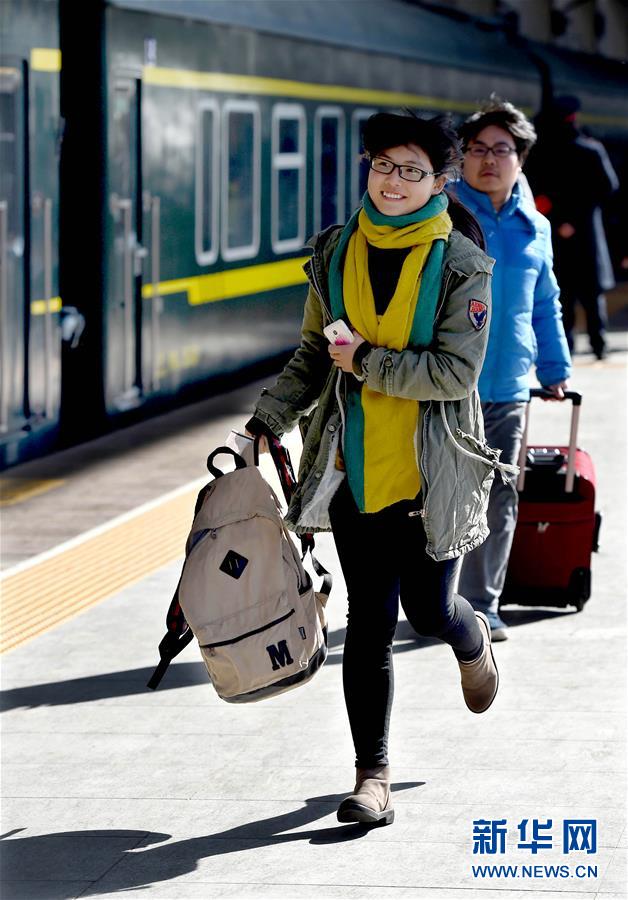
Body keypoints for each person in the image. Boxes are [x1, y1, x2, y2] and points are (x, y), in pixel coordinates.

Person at [245, 111, 513, 827]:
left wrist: (366, 361)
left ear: (440, 181)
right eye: (383, 165)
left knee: (428, 613)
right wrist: (267, 419)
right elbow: (314, 352)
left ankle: (470, 640)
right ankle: (372, 778)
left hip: (432, 474)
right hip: (353, 467)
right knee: (368, 622)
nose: (393, 181)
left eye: (412, 170)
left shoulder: (462, 267)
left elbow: (455, 374)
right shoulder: (335, 252)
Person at [451, 97, 572, 642]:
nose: (488, 160)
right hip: (446, 385)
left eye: (501, 150)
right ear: (462, 157)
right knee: (440, 495)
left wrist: (555, 366)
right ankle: (438, 601)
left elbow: (545, 302)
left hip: (508, 387)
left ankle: (483, 605)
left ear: (520, 158)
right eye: (477, 149)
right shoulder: (444, 217)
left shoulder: (535, 226)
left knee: (501, 494)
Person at [526, 95, 619, 360]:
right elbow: (608, 187)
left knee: (561, 291)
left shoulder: (541, 153)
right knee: (592, 293)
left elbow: (533, 191)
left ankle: (566, 344)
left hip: (555, 232)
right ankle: (599, 343)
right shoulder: (591, 150)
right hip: (587, 233)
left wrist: (559, 218)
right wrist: (577, 219)